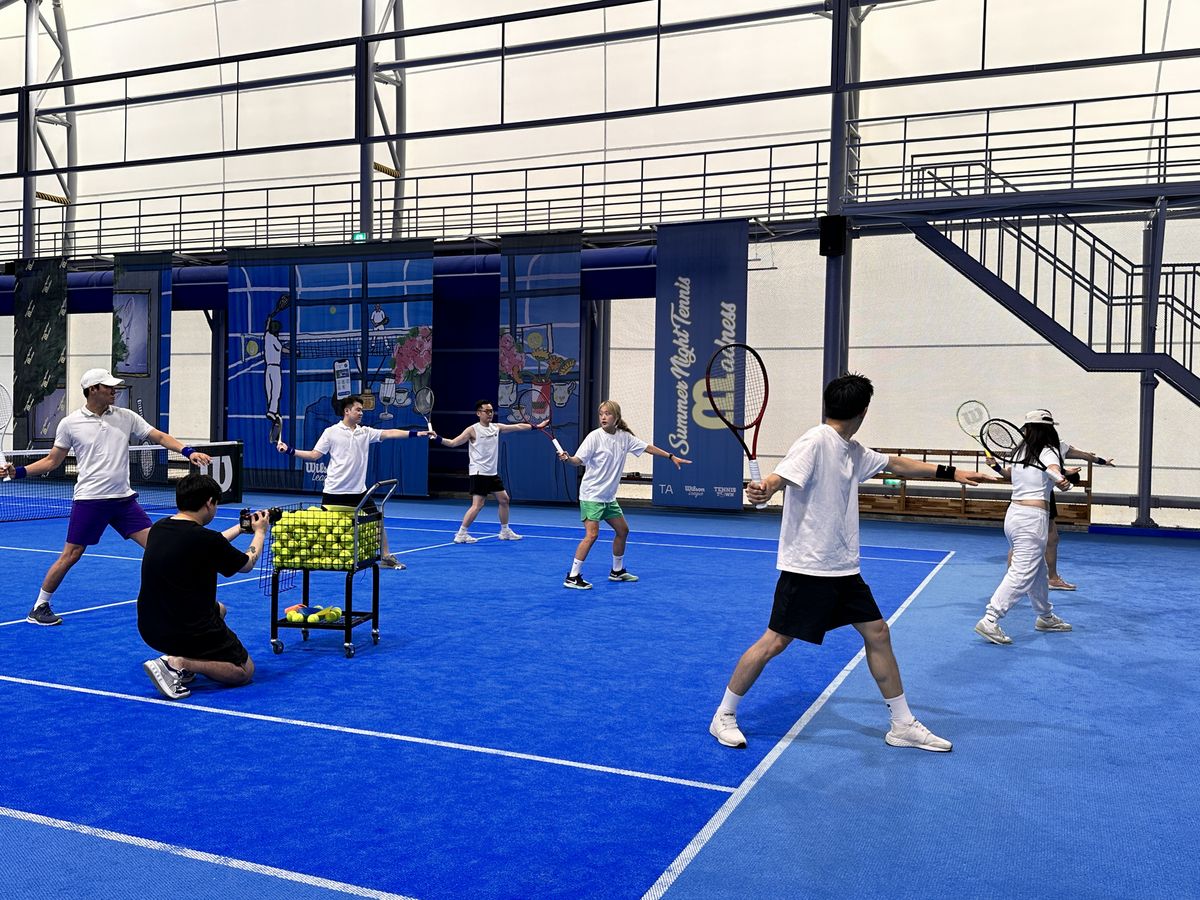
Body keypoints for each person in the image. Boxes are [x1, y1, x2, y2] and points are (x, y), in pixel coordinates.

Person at [710, 374, 1000, 752]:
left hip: (844, 570)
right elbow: (780, 476)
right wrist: (765, 487)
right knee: (774, 641)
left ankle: (902, 724)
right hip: (808, 568)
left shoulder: (852, 449)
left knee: (877, 633)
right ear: (863, 411)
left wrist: (952, 472)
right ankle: (724, 714)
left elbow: (896, 464)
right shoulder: (815, 441)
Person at [4, 369, 212, 627]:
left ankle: (181, 598)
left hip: (124, 501)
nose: (115, 391)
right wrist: (18, 471)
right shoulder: (70, 423)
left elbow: (158, 436)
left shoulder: (126, 416)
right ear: (93, 390)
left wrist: (188, 451)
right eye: (108, 387)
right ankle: (39, 606)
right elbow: (52, 461)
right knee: (71, 554)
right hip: (90, 500)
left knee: (159, 546)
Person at [139, 473, 266, 700]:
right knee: (244, 671)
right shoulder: (206, 540)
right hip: (184, 629)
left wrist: (239, 528)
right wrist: (260, 532)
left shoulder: (159, 527)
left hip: (150, 628)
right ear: (209, 503)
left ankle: (183, 662)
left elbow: (208, 543)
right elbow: (247, 564)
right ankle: (179, 663)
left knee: (220, 610)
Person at [277, 394, 429, 569]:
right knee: (325, 529)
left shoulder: (365, 432)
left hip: (359, 492)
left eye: (362, 410)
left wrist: (418, 433)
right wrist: (290, 450)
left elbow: (390, 433)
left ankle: (386, 556)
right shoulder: (331, 432)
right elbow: (314, 455)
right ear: (347, 411)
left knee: (377, 521)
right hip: (334, 492)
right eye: (358, 410)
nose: (361, 413)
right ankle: (317, 557)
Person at [556, 399, 690, 589]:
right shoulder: (594, 437)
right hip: (591, 495)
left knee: (623, 530)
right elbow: (578, 460)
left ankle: (617, 571)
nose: (603, 417)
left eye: (607, 413)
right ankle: (572, 576)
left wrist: (670, 456)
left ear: (616, 417)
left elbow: (647, 448)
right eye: (601, 414)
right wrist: (568, 458)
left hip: (608, 498)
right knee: (592, 535)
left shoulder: (624, 437)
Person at [976, 410, 1080, 645]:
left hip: (1013, 516)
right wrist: (1060, 478)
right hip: (1032, 520)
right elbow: (1053, 468)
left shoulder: (1020, 452)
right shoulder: (1049, 450)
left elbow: (1010, 475)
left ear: (1027, 428)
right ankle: (990, 619)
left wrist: (996, 467)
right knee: (1022, 572)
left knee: (1039, 571)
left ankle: (1045, 616)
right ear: (1049, 429)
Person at [1027, 409, 1114, 591]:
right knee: (1029, 543)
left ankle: (1047, 579)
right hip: (1033, 499)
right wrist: (1062, 475)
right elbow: (1048, 469)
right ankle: (1026, 581)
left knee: (1047, 539)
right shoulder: (1031, 449)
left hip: (1037, 498)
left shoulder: (1052, 447)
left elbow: (1084, 455)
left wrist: (1101, 461)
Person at [435, 398, 544, 543]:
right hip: (479, 473)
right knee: (478, 505)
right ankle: (461, 534)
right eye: (486, 411)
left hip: (492, 473)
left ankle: (505, 531)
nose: (490, 414)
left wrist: (536, 426)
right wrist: (437, 438)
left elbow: (517, 426)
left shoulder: (496, 427)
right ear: (478, 413)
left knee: (504, 500)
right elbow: (453, 443)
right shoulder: (472, 430)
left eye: (491, 411)